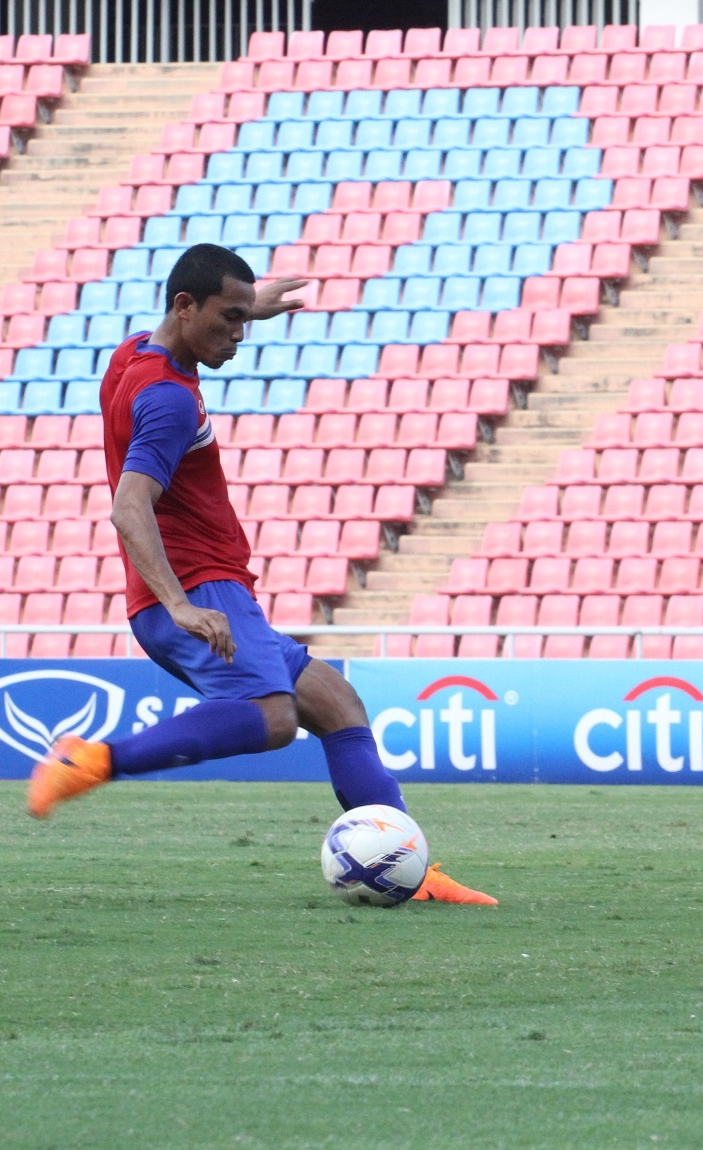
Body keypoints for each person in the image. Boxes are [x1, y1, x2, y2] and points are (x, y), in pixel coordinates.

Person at [25, 244, 494, 905]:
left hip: (208, 585)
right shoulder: (169, 400)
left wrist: (247, 305)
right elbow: (129, 507)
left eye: (244, 320)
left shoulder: (135, 355)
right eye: (230, 320)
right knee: (271, 718)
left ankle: (411, 872)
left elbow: (176, 339)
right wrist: (181, 604)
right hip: (199, 588)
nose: (240, 337)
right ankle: (93, 760)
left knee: (336, 704)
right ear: (185, 307)